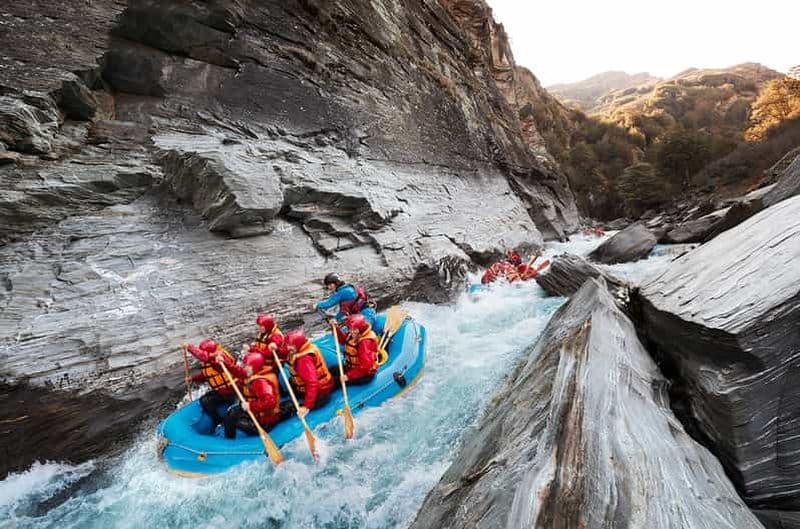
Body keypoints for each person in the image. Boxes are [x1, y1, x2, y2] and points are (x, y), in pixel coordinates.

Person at [186, 339, 246, 429]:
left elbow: (204, 357)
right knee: (205, 397)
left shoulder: (218, 361)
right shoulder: (211, 361)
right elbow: (207, 375)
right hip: (223, 391)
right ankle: (218, 419)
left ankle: (217, 420)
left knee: (205, 401)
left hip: (230, 391)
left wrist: (189, 347)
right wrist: (193, 378)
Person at [222, 353, 282, 439]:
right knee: (231, 413)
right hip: (255, 412)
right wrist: (224, 362)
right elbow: (237, 371)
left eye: (247, 366)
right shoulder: (251, 374)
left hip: (264, 422)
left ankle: (230, 443)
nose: (244, 368)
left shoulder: (261, 382)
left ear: (254, 367)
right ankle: (229, 439)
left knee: (234, 420)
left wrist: (250, 405)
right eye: (244, 365)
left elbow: (270, 402)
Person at [283, 330, 334, 418]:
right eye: (288, 345)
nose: (288, 348)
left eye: (291, 345)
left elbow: (312, 383)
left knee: (288, 408)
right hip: (318, 385)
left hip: (319, 393)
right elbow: (286, 351)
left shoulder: (304, 360)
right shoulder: (303, 347)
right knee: (290, 382)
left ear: (298, 344)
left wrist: (306, 406)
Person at [332, 313, 379, 385]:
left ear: (360, 328)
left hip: (364, 374)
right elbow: (343, 340)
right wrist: (335, 329)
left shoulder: (365, 343)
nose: (351, 331)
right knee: (332, 370)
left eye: (354, 329)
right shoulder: (353, 334)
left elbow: (365, 367)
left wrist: (348, 376)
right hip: (352, 368)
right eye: (350, 329)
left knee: (334, 382)